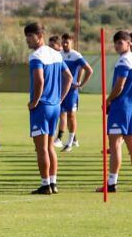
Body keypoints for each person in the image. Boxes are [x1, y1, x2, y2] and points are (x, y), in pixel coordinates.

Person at [26, 23, 70, 195]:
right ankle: (53, 183)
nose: (27, 40)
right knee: (50, 146)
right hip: (54, 107)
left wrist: (34, 102)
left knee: (41, 148)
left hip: (42, 106)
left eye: (29, 36)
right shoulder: (56, 54)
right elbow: (69, 77)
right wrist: (60, 99)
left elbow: (39, 81)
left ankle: (45, 185)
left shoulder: (36, 56)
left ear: (39, 35)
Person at [99, 31, 132, 192]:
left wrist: (108, 99)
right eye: (116, 42)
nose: (117, 45)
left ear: (129, 43)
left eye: (121, 42)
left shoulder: (124, 61)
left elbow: (119, 86)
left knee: (115, 145)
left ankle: (112, 183)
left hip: (121, 108)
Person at [59, 33, 93, 152]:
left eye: (67, 42)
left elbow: (89, 70)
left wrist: (80, 84)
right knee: (60, 115)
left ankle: (69, 143)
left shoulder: (76, 56)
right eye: (63, 42)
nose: (64, 44)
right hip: (61, 90)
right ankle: (68, 139)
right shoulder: (59, 55)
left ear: (72, 43)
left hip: (72, 91)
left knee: (71, 115)